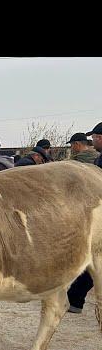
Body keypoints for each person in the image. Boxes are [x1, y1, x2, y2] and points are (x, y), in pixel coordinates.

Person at [67, 122, 102, 313]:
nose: (93, 140)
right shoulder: (98, 158)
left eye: (95, 137)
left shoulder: (82, 161)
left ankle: (75, 298)